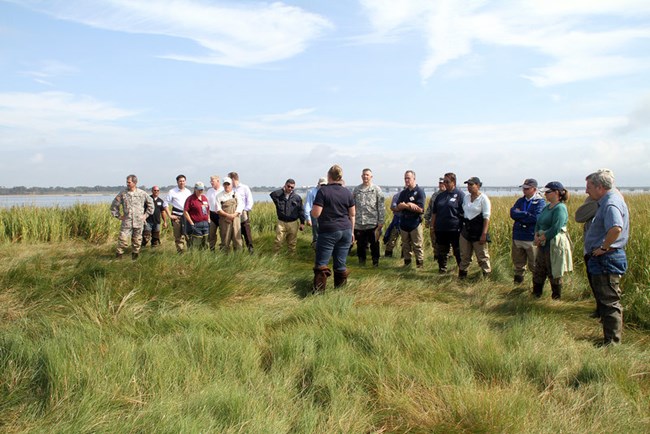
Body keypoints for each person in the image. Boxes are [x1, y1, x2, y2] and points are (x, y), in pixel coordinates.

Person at [584, 169, 629, 345]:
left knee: (609, 302)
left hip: (607, 259)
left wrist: (604, 247)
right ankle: (610, 338)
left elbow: (616, 228)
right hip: (605, 258)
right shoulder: (609, 201)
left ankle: (612, 343)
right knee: (605, 300)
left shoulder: (611, 203)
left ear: (600, 187)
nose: (587, 191)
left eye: (589, 187)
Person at [311, 165, 355, 292]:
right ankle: (340, 292)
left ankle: (319, 293)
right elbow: (352, 214)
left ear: (329, 176)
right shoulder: (347, 192)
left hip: (328, 231)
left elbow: (316, 213)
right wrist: (352, 232)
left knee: (321, 264)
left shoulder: (323, 191)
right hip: (346, 230)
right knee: (340, 263)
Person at [533, 181, 573, 299]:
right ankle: (536, 295)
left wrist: (543, 237)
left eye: (548, 192)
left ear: (556, 193)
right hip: (543, 243)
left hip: (554, 243)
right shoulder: (547, 207)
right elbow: (539, 222)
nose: (545, 194)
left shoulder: (560, 208)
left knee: (554, 269)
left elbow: (556, 227)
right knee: (539, 268)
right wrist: (536, 235)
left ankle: (556, 297)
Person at [510, 178, 545, 284]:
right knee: (518, 263)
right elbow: (512, 213)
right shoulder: (520, 200)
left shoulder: (540, 201)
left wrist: (522, 214)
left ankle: (537, 288)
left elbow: (536, 218)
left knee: (534, 264)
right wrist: (526, 214)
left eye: (527, 188)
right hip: (518, 235)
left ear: (534, 189)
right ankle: (518, 284)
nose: (524, 190)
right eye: (523, 188)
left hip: (531, 237)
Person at [110, 174, 154, 260]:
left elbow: (151, 205)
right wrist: (119, 216)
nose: (127, 184)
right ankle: (118, 258)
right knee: (122, 240)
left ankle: (135, 258)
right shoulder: (123, 193)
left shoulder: (142, 193)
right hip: (127, 222)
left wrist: (145, 215)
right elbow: (114, 206)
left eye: (129, 182)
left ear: (135, 182)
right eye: (127, 182)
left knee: (137, 241)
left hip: (139, 221)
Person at [431, 172, 465, 273]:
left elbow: (464, 213)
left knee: (457, 251)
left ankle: (462, 271)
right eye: (444, 181)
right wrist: (432, 227)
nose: (444, 183)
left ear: (453, 182)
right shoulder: (440, 196)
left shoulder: (460, 195)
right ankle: (442, 270)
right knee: (442, 251)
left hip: (455, 229)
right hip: (441, 229)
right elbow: (434, 213)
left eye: (447, 181)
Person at [458, 177, 492, 278]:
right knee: (464, 255)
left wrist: (484, 234)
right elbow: (464, 213)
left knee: (482, 257)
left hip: (478, 230)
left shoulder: (483, 199)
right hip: (466, 230)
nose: (469, 187)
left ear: (478, 185)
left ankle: (487, 277)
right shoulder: (466, 198)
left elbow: (486, 217)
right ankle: (462, 277)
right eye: (468, 185)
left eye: (471, 185)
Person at [353, 169, 385, 267]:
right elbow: (353, 206)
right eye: (364, 175)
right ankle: (361, 262)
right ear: (361, 176)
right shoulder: (357, 189)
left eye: (367, 175)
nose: (365, 177)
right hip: (359, 223)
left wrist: (381, 222)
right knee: (360, 244)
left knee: (374, 243)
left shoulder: (376, 189)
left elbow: (381, 207)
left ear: (371, 177)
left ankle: (375, 262)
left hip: (373, 222)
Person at [395, 170, 426, 267]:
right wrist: (409, 205)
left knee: (417, 245)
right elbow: (398, 207)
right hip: (404, 222)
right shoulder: (403, 193)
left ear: (414, 178)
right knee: (405, 245)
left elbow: (420, 209)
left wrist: (407, 205)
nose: (406, 180)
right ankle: (407, 264)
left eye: (408, 178)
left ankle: (419, 265)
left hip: (415, 222)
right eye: (405, 178)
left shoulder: (420, 192)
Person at [270, 179, 305, 254]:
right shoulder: (278, 196)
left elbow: (301, 210)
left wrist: (302, 222)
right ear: (285, 185)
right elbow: (272, 195)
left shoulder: (297, 198)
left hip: (293, 223)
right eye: (288, 186)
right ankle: (275, 256)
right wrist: (282, 190)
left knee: (292, 242)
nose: (290, 188)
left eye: (292, 187)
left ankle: (291, 256)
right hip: (281, 222)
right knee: (278, 240)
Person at [215, 177, 244, 253]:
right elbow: (218, 209)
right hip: (224, 220)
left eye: (228, 184)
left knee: (237, 238)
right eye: (225, 184)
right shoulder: (219, 196)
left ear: (231, 185)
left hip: (236, 219)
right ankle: (224, 257)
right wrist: (228, 215)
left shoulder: (236, 194)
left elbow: (240, 206)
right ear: (223, 185)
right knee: (225, 238)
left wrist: (234, 215)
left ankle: (238, 256)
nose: (227, 186)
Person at [228, 172, 255, 254]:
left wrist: (245, 210)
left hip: (243, 213)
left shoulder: (244, 188)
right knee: (236, 232)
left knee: (246, 232)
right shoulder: (230, 189)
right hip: (233, 213)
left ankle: (250, 250)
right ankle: (239, 250)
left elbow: (250, 201)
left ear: (233, 179)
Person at [166, 174, 193, 254]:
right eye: (180, 181)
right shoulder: (172, 191)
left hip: (186, 216)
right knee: (178, 236)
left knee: (188, 235)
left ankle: (190, 251)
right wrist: (170, 215)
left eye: (183, 181)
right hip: (176, 216)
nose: (182, 182)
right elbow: (165, 204)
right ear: (177, 182)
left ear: (185, 182)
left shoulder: (188, 192)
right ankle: (180, 252)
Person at [424, 177, 447, 259]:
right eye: (440, 183)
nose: (441, 185)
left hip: (445, 224)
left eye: (443, 183)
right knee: (434, 241)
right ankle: (436, 257)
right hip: (434, 222)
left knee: (446, 243)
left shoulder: (449, 195)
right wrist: (427, 219)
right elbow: (430, 208)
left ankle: (447, 258)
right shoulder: (435, 195)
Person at [183, 182, 210, 250]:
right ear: (195, 189)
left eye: (202, 190)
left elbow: (208, 210)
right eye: (199, 189)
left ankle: (204, 257)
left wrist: (209, 219)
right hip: (196, 224)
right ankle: (194, 258)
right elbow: (185, 211)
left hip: (205, 224)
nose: (200, 191)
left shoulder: (204, 198)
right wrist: (191, 223)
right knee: (196, 244)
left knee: (205, 243)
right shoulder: (190, 199)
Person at [305, 177, 327, 249]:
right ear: (318, 184)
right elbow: (307, 205)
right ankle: (316, 248)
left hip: (325, 215)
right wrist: (308, 218)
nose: (323, 186)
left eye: (325, 185)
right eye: (322, 185)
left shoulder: (327, 192)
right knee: (316, 232)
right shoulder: (311, 192)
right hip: (315, 215)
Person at [383, 190, 403, 258]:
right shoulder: (397, 195)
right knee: (392, 239)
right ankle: (388, 256)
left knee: (406, 241)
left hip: (408, 221)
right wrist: (404, 207)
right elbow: (393, 207)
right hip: (397, 220)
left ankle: (404, 259)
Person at [206, 175, 223, 251]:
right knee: (211, 234)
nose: (211, 182)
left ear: (218, 181)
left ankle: (223, 250)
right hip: (212, 215)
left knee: (223, 233)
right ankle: (212, 250)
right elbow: (206, 204)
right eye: (210, 181)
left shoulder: (223, 190)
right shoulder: (209, 191)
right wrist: (207, 216)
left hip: (222, 215)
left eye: (213, 181)